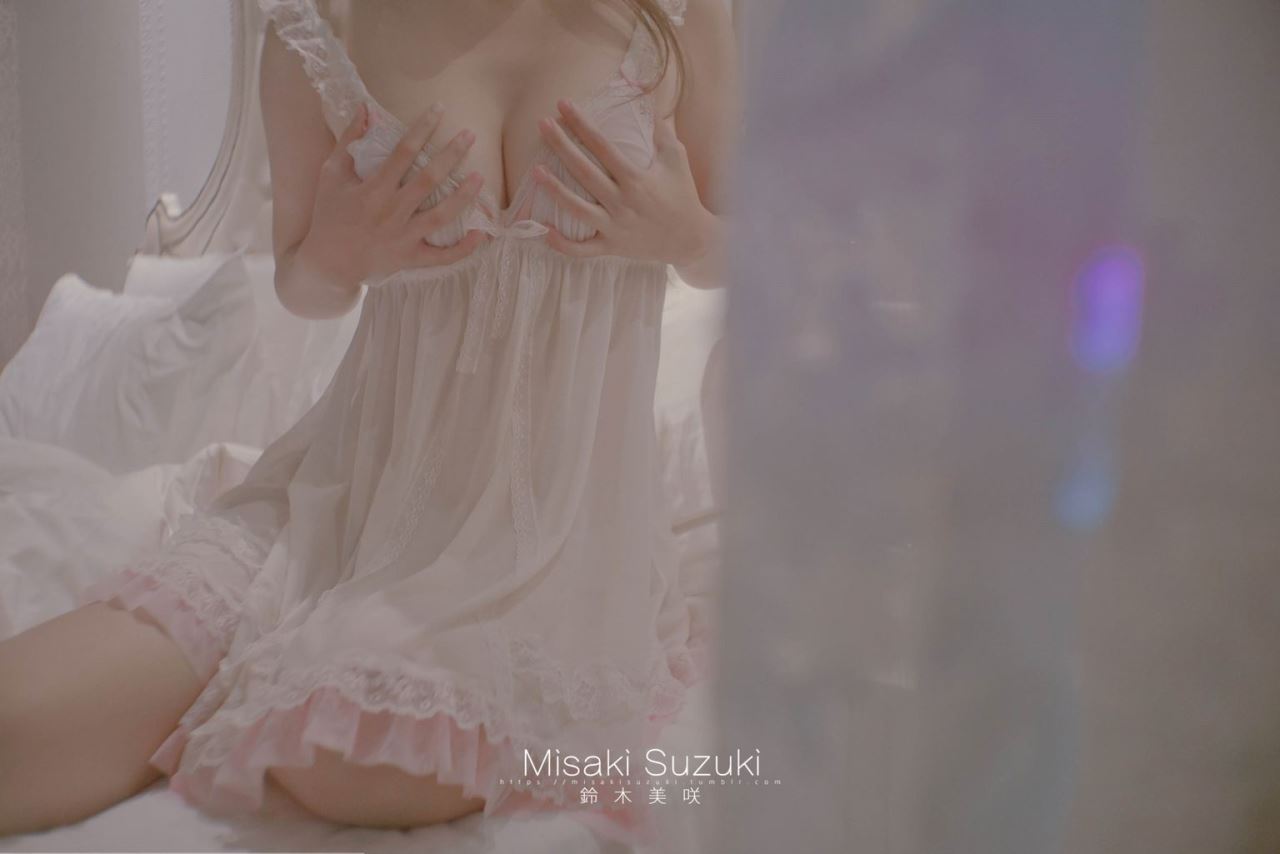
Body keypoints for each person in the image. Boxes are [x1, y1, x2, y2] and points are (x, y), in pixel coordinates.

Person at [0, 0, 738, 844]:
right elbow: (302, 284)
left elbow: (744, 247)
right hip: (336, 506)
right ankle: (237, 687)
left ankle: (255, 698)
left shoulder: (679, 15)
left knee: (351, 756)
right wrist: (336, 255)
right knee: (17, 729)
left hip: (554, 548)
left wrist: (684, 233)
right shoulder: (321, 25)